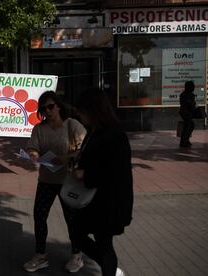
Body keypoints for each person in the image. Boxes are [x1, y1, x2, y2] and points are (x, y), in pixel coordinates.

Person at [71, 88, 133, 276]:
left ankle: (110, 269)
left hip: (109, 202)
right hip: (93, 200)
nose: (80, 117)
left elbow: (116, 172)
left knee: (104, 244)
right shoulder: (94, 131)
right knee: (79, 236)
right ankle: (110, 267)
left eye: (82, 112)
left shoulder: (114, 135)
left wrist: (85, 174)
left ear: (94, 111)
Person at [23, 91, 86, 273]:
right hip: (46, 180)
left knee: (71, 218)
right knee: (39, 215)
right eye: (43, 108)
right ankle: (40, 254)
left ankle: (77, 254)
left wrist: (65, 158)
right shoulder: (39, 129)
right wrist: (34, 155)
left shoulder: (72, 125)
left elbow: (85, 149)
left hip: (68, 181)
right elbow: (33, 147)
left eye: (50, 106)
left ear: (58, 106)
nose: (47, 111)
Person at [179, 81, 196, 148]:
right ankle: (184, 142)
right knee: (187, 126)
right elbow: (190, 104)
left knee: (190, 125)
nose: (194, 88)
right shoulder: (188, 95)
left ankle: (185, 140)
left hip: (185, 112)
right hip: (186, 113)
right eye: (193, 86)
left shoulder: (184, 94)